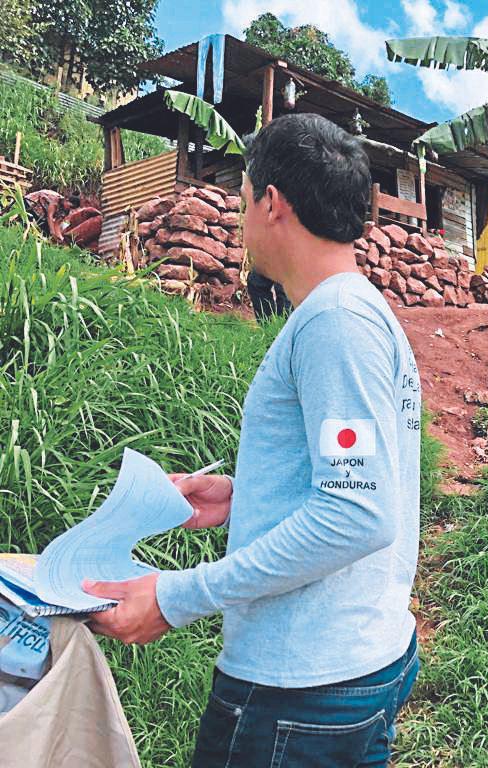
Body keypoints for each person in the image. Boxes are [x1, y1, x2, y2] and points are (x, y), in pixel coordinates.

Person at [82, 113, 422, 767]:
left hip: (301, 691)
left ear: (272, 203)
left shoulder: (334, 323)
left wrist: (179, 596)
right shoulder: (362, 312)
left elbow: (358, 513)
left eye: (242, 202)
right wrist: (246, 495)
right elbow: (359, 479)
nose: (240, 222)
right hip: (349, 662)